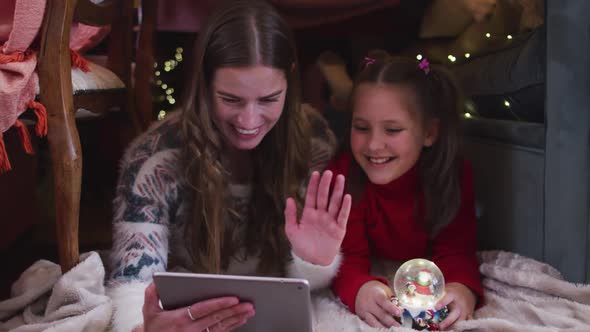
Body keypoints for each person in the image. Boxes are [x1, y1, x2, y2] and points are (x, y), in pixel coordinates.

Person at [107, 1, 352, 331]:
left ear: (290, 80)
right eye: (231, 100)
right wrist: (144, 327)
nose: (249, 121)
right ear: (204, 84)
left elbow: (310, 290)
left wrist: (315, 261)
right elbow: (132, 286)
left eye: (268, 99)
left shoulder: (315, 144)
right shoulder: (154, 160)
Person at [329, 52, 483, 330]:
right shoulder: (343, 176)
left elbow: (457, 250)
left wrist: (462, 290)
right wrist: (360, 290)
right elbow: (346, 258)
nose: (374, 145)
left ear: (429, 133)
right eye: (361, 127)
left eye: (393, 130)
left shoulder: (451, 174)